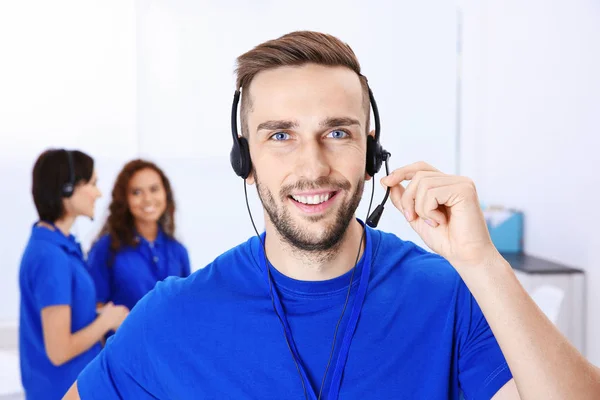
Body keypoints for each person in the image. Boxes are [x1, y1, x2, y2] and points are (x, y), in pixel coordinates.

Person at [65, 32, 600, 399]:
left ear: (371, 156)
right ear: (245, 159)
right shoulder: (174, 315)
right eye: (280, 135)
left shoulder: (451, 294)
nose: (312, 165)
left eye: (338, 132)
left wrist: (482, 263)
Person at [19, 149, 129, 400]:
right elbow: (59, 350)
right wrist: (107, 321)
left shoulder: (60, 247)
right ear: (67, 189)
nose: (98, 193)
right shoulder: (51, 256)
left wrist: (96, 315)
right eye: (92, 183)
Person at [86, 159, 191, 313]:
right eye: (136, 192)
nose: (147, 199)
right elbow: (94, 311)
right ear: (124, 199)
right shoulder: (106, 249)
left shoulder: (178, 251)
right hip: (124, 337)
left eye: (154, 189)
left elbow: (186, 306)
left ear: (165, 193)